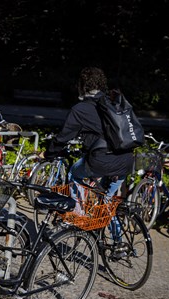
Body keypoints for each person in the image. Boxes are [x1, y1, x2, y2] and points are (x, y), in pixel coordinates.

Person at [42, 67, 135, 200]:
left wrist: (48, 153)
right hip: (126, 160)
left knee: (73, 174)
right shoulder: (114, 102)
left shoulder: (81, 109)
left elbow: (63, 137)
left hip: (103, 160)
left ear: (82, 86)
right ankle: (109, 216)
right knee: (106, 205)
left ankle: (77, 215)